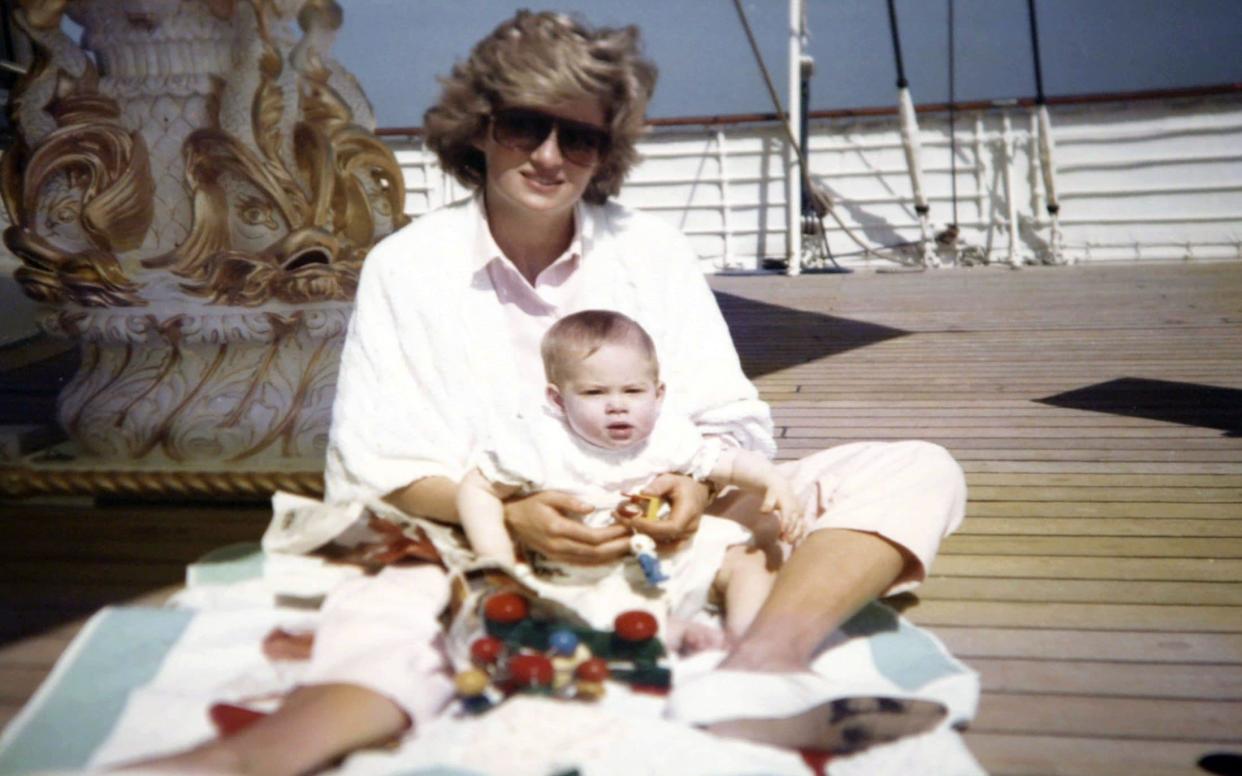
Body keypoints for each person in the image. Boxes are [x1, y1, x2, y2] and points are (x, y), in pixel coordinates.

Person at [138, 10, 966, 774]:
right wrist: (511, 512)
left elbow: (730, 418)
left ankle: (758, 671)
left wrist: (694, 482)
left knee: (917, 467)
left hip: (659, 520)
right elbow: (376, 459)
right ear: (480, 131)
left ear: (606, 154)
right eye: (525, 125)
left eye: (579, 137)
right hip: (474, 535)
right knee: (391, 599)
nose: (548, 155)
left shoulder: (653, 252)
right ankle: (249, 763)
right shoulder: (409, 265)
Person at [455, 308, 803, 645]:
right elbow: (478, 486)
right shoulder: (541, 443)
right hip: (587, 570)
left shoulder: (666, 435)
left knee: (750, 555)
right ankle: (666, 631)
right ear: (558, 401)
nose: (617, 405)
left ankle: (746, 639)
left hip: (668, 554)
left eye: (633, 391)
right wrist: (496, 559)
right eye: (594, 392)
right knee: (571, 609)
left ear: (658, 393)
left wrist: (773, 481)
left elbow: (724, 463)